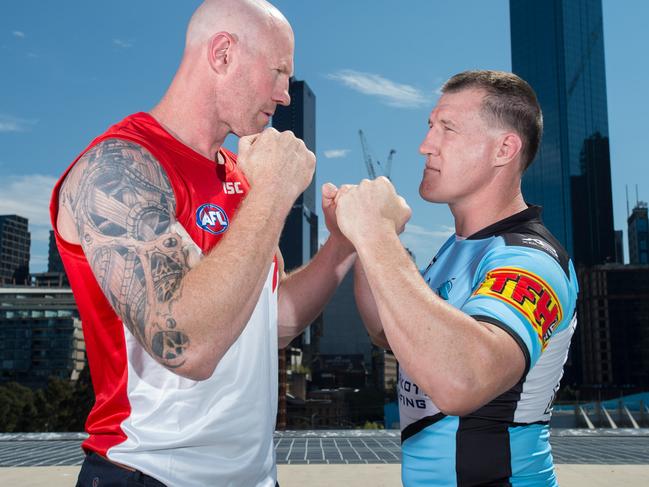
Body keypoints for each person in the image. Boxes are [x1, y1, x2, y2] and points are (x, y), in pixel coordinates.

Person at [50, 1, 355, 486]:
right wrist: (274, 193)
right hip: (149, 472)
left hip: (253, 476)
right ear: (222, 53)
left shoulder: (242, 177)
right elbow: (188, 346)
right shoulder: (118, 168)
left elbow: (267, 325)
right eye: (277, 72)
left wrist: (342, 245)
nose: (283, 95)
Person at [334, 70, 578, 486]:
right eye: (430, 126)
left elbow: (462, 383)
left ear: (504, 149)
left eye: (447, 129)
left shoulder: (530, 262)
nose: (425, 144)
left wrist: (376, 235)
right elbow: (387, 332)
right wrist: (361, 237)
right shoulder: (456, 249)